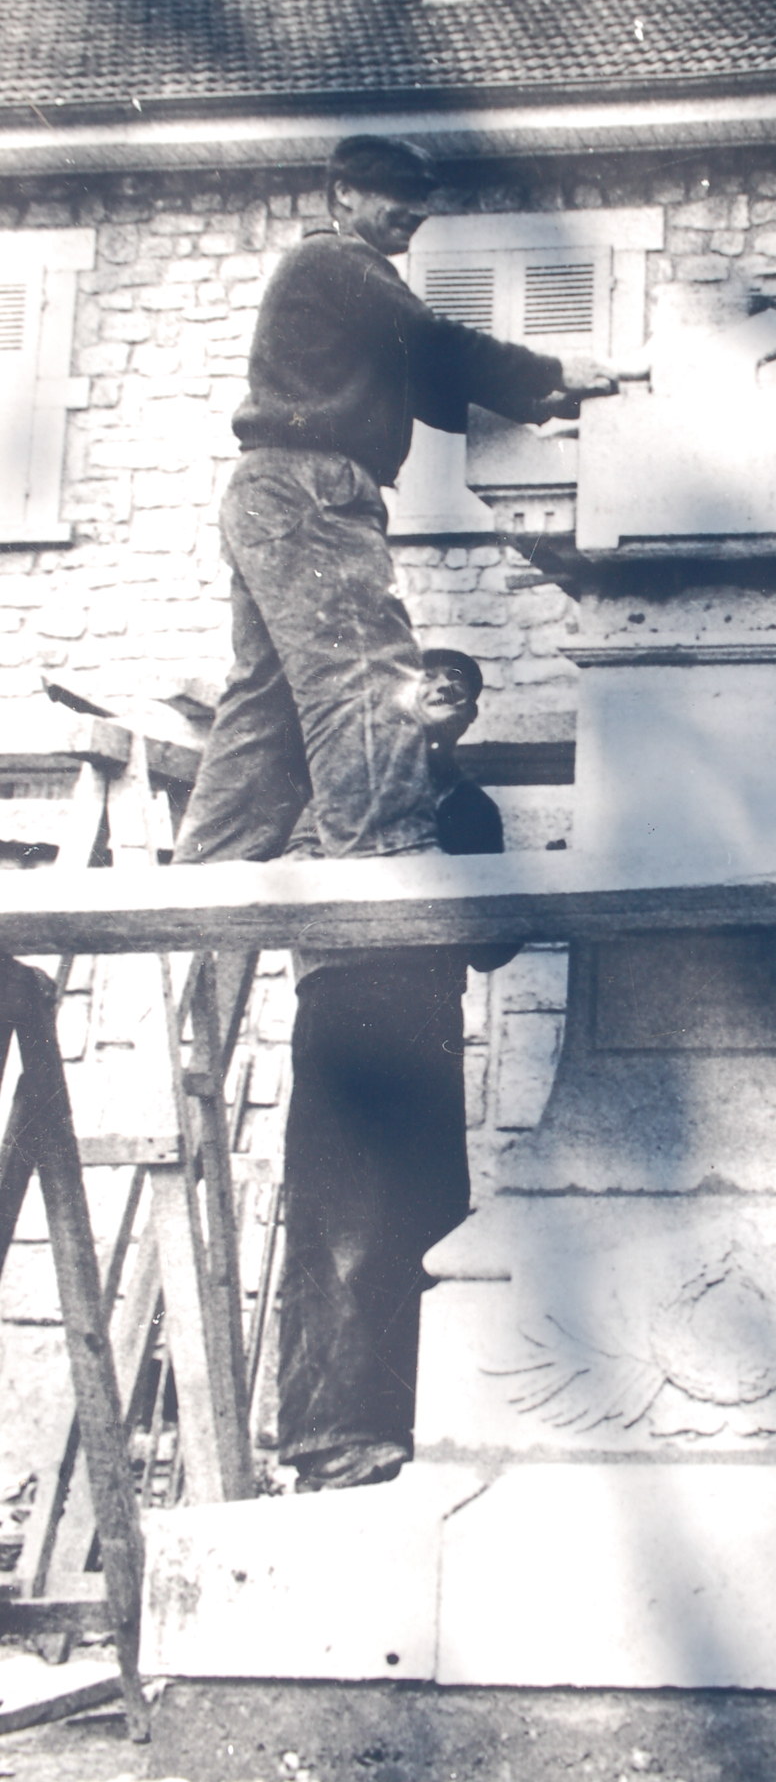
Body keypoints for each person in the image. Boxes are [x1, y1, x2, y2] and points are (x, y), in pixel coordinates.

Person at [174, 133, 613, 867]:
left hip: (272, 490)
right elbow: (436, 344)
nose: (415, 212)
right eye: (395, 194)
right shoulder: (337, 260)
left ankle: (214, 862)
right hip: (317, 488)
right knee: (368, 671)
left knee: (270, 700)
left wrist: (547, 400)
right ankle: (384, 857)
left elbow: (433, 388)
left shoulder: (338, 292)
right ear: (343, 192)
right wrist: (557, 365)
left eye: (422, 201)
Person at [277, 647, 523, 1492]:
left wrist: (492, 889)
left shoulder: (472, 809)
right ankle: (331, 1439)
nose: (445, 695)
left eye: (463, 689)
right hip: (345, 1006)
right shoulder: (342, 785)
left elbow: (493, 943)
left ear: (471, 717)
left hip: (425, 1013)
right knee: (340, 1217)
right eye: (431, 683)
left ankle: (401, 1426)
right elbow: (294, 881)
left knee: (422, 1216)